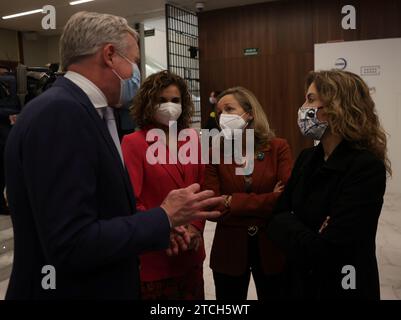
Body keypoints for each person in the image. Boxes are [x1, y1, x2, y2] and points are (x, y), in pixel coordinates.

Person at [4, 11, 223, 300]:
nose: (135, 73)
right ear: (109, 55)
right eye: (132, 62)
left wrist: (161, 227)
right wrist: (162, 217)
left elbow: (101, 210)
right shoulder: (62, 113)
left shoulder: (82, 110)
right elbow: (71, 241)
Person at [267, 70, 390, 299]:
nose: (303, 107)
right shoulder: (306, 157)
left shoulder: (365, 167)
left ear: (337, 108)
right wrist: (310, 229)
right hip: (299, 284)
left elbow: (331, 251)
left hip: (343, 286)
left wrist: (291, 222)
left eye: (311, 99)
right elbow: (276, 218)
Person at [122, 70, 206, 300]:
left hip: (191, 250)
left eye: (175, 100)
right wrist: (164, 229)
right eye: (162, 100)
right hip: (157, 252)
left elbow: (202, 186)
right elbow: (132, 199)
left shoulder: (191, 138)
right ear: (149, 103)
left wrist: (196, 228)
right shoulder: (133, 142)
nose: (169, 106)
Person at [203, 87, 293, 300]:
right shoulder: (214, 154)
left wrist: (232, 201)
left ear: (250, 113)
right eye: (219, 111)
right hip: (229, 251)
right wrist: (268, 199)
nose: (223, 116)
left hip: (272, 248)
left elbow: (286, 199)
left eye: (230, 109)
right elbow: (212, 206)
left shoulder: (278, 148)